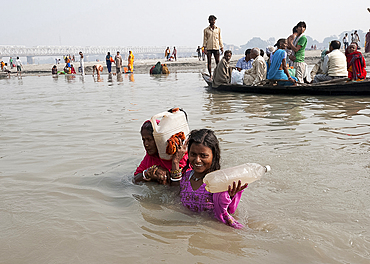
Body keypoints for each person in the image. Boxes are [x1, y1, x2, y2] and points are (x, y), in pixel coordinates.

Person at [172, 129, 247, 228]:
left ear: (213, 156)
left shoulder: (219, 182)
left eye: (204, 156)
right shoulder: (186, 177)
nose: (197, 160)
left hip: (210, 227)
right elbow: (175, 195)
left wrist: (229, 196)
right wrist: (175, 162)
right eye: (193, 154)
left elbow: (226, 213)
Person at [133, 119, 188, 185]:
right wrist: (149, 173)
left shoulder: (179, 155)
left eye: (149, 140)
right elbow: (135, 179)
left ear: (160, 139)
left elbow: (180, 188)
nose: (146, 144)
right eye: (144, 140)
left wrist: (175, 162)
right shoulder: (150, 157)